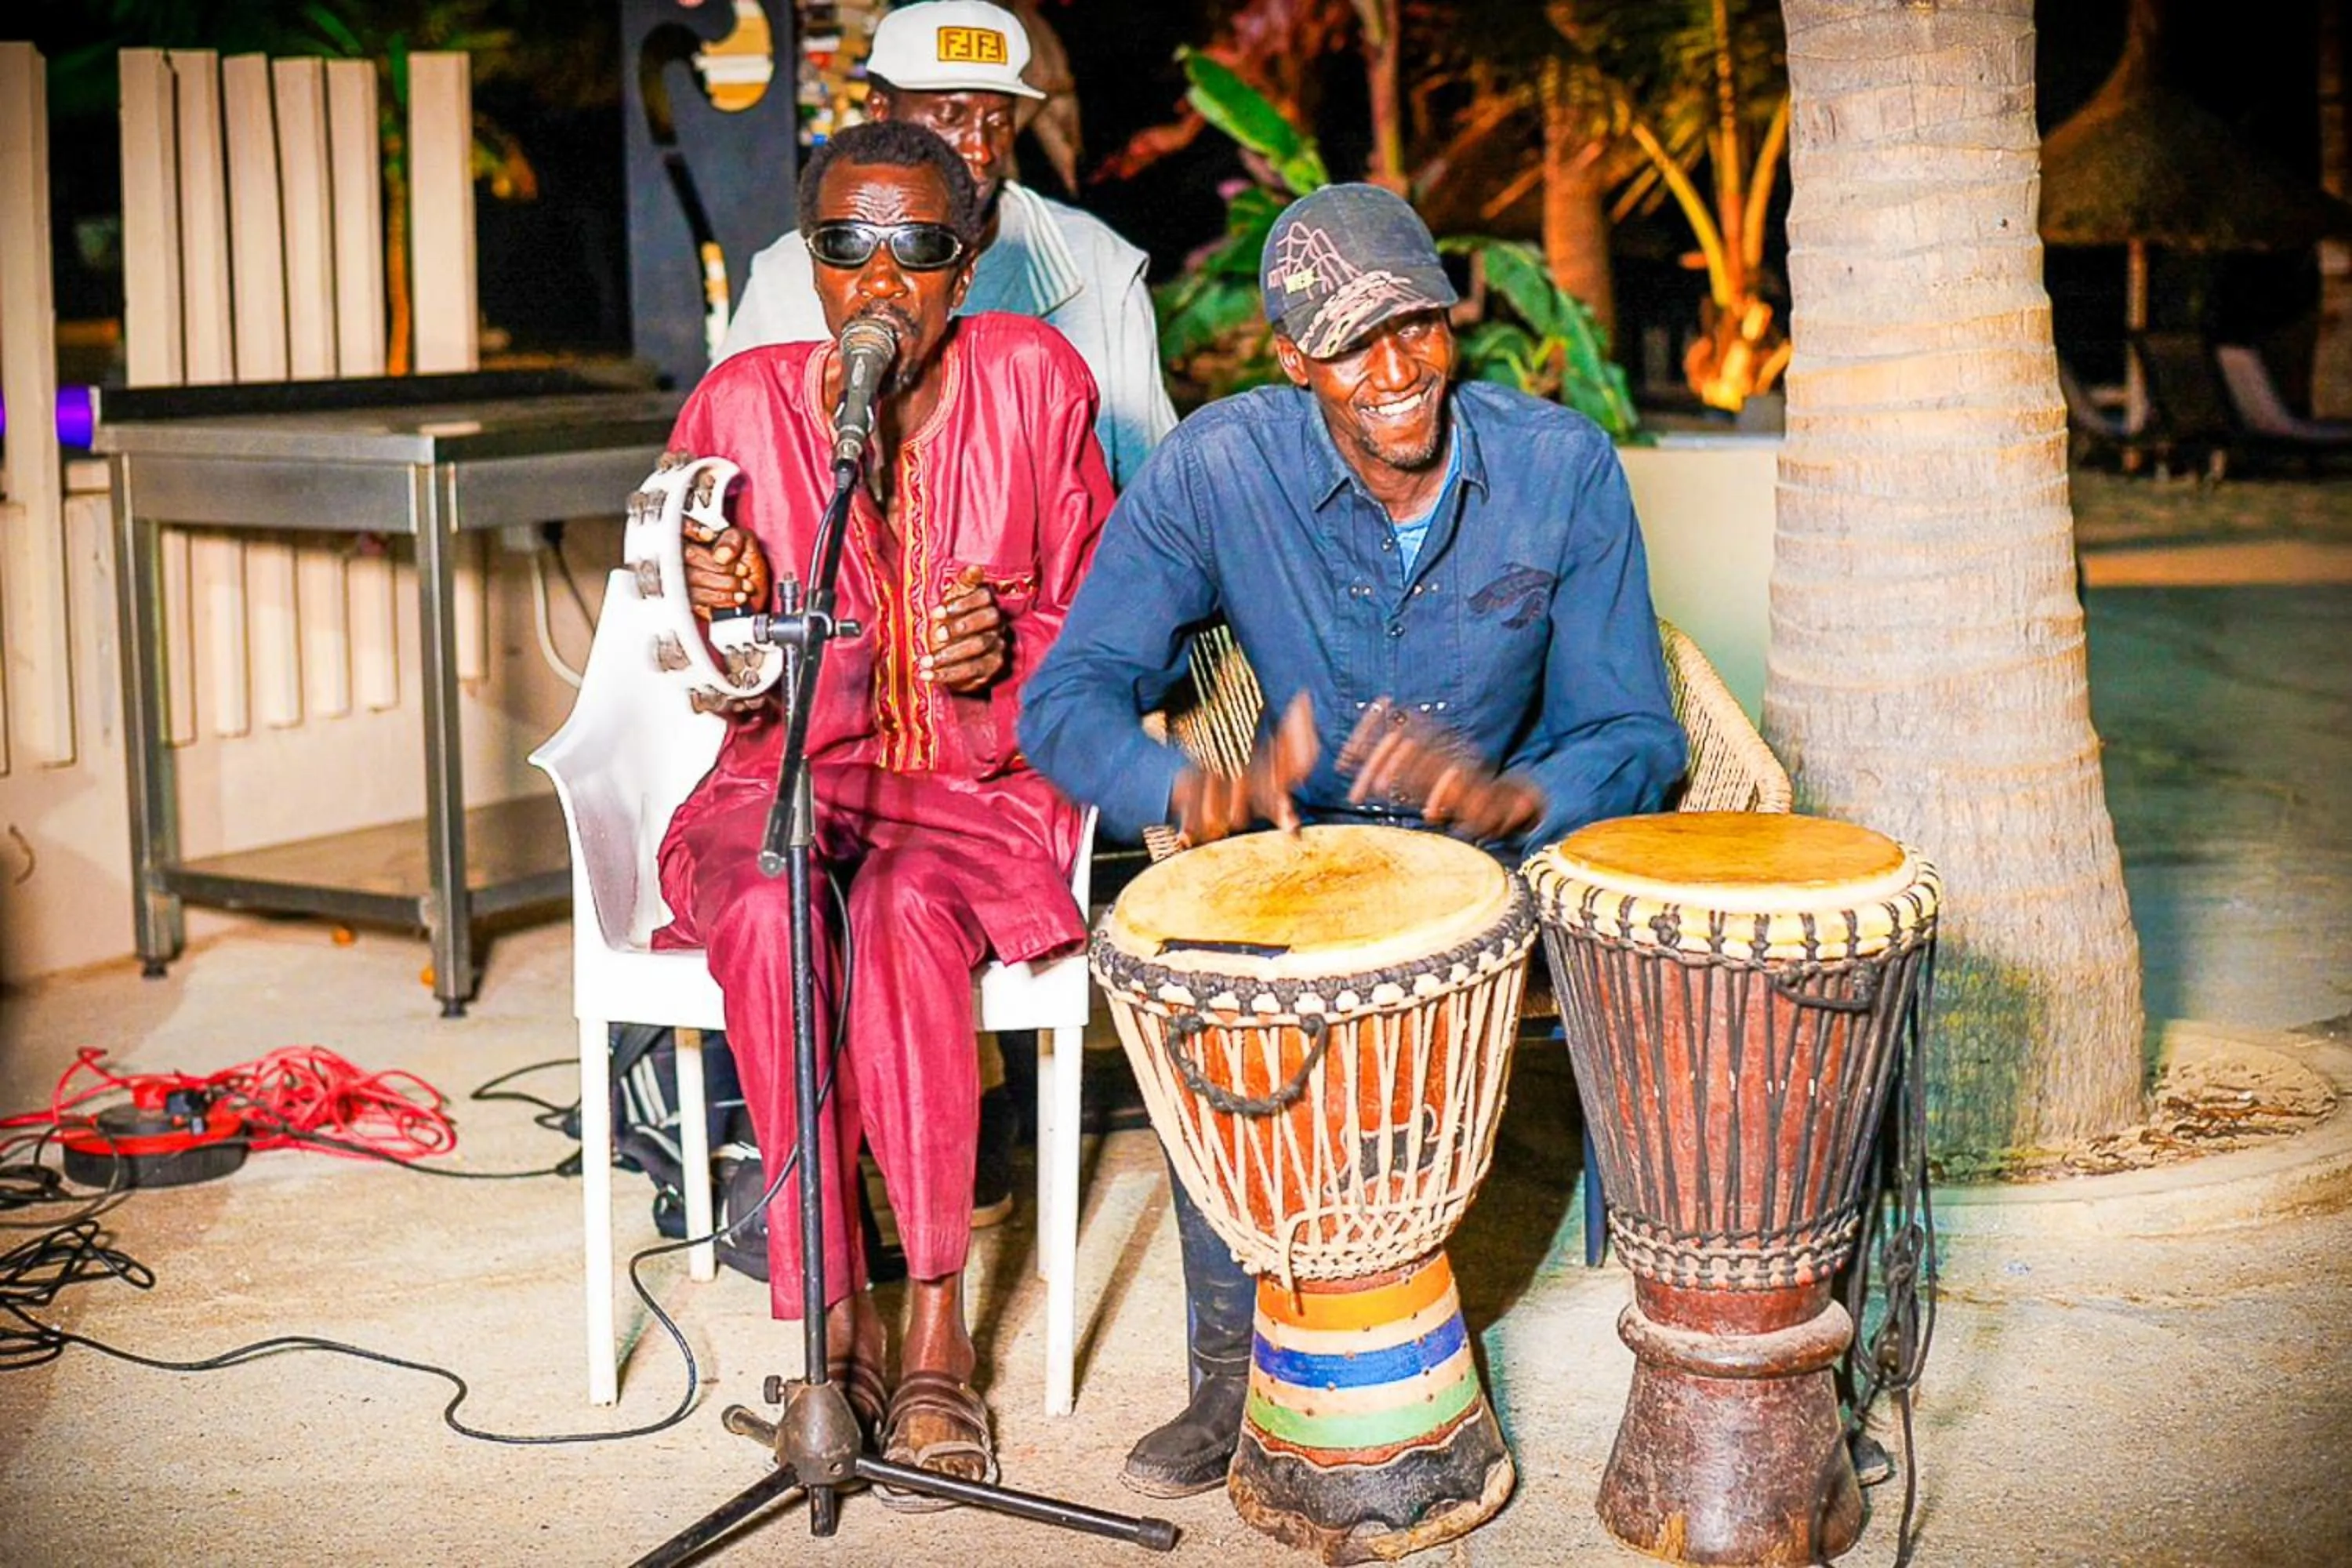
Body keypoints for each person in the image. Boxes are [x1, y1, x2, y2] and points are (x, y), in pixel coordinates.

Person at [1018, 183, 1689, 1497]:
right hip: (1299, 844)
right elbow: (1065, 698)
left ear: (1454, 319)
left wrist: (1513, 800)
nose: (1395, 372)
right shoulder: (1223, 467)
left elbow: (1638, 728)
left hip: (1502, 846)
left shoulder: (1558, 468)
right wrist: (1190, 791)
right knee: (1212, 982)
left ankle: (1639, 1300)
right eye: (1350, 346)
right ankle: (1230, 1370)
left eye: (1417, 329)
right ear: (1292, 359)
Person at [657, 118, 1111, 1504]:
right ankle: (825, 1320)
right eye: (848, 245)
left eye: (920, 247)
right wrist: (716, 612)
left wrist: (1015, 648)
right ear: (812, 262)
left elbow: (1111, 636)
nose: (881, 278)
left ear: (964, 270)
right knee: (769, 896)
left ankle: (932, 1333)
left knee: (905, 907)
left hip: (975, 793)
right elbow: (662, 638)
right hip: (779, 776)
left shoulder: (1039, 382)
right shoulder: (736, 406)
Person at [717, 0, 1176, 490]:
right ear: (880, 113)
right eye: (950, 116)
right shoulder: (787, 274)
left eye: (998, 121)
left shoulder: (1098, 266)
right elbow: (724, 468)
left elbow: (1155, 489)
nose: (981, 149)